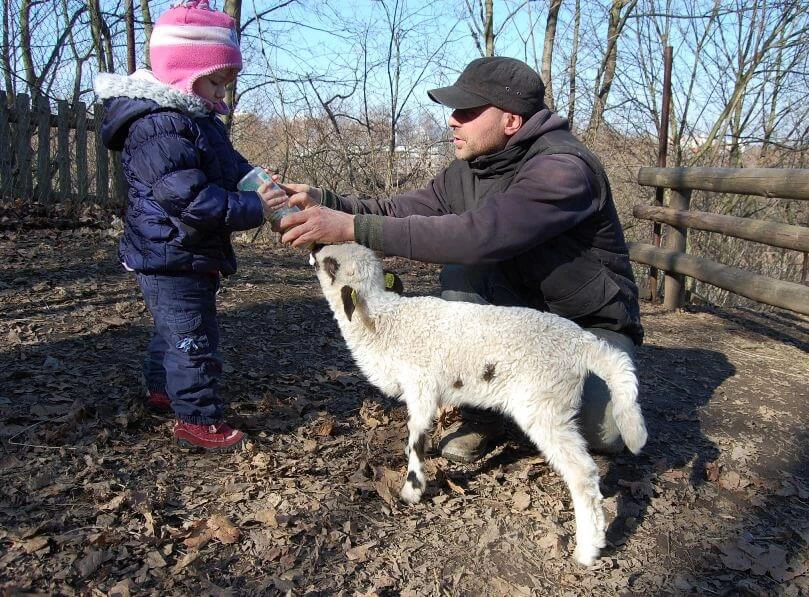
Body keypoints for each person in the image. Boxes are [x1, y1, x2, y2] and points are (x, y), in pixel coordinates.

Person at [274, 56, 644, 463]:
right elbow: (399, 209)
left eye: (468, 111)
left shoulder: (564, 169)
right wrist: (328, 203)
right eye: (454, 110)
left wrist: (350, 229)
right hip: (515, 319)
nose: (452, 120)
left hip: (583, 323)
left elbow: (482, 235)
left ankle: (578, 382)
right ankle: (483, 413)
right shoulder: (468, 170)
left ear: (511, 121)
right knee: (462, 275)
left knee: (604, 431)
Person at [94, 0, 284, 452]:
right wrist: (255, 207)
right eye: (216, 82)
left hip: (183, 251)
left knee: (173, 330)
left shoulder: (196, 120)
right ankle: (198, 420)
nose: (223, 95)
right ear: (183, 72)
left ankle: (163, 390)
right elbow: (191, 200)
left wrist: (260, 181)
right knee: (193, 339)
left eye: (226, 84)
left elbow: (229, 165)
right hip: (171, 252)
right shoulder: (160, 124)